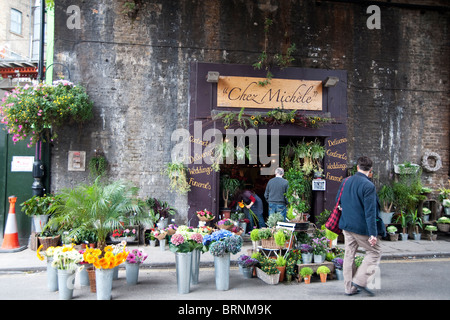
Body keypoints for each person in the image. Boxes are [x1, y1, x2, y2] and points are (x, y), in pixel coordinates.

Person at [336, 156, 385, 296]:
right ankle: (360, 281)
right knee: (375, 251)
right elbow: (370, 212)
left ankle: (349, 288)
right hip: (361, 228)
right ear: (370, 170)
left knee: (349, 254)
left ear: (357, 167)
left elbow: (338, 201)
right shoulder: (368, 186)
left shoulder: (346, 181)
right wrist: (373, 234)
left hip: (346, 226)